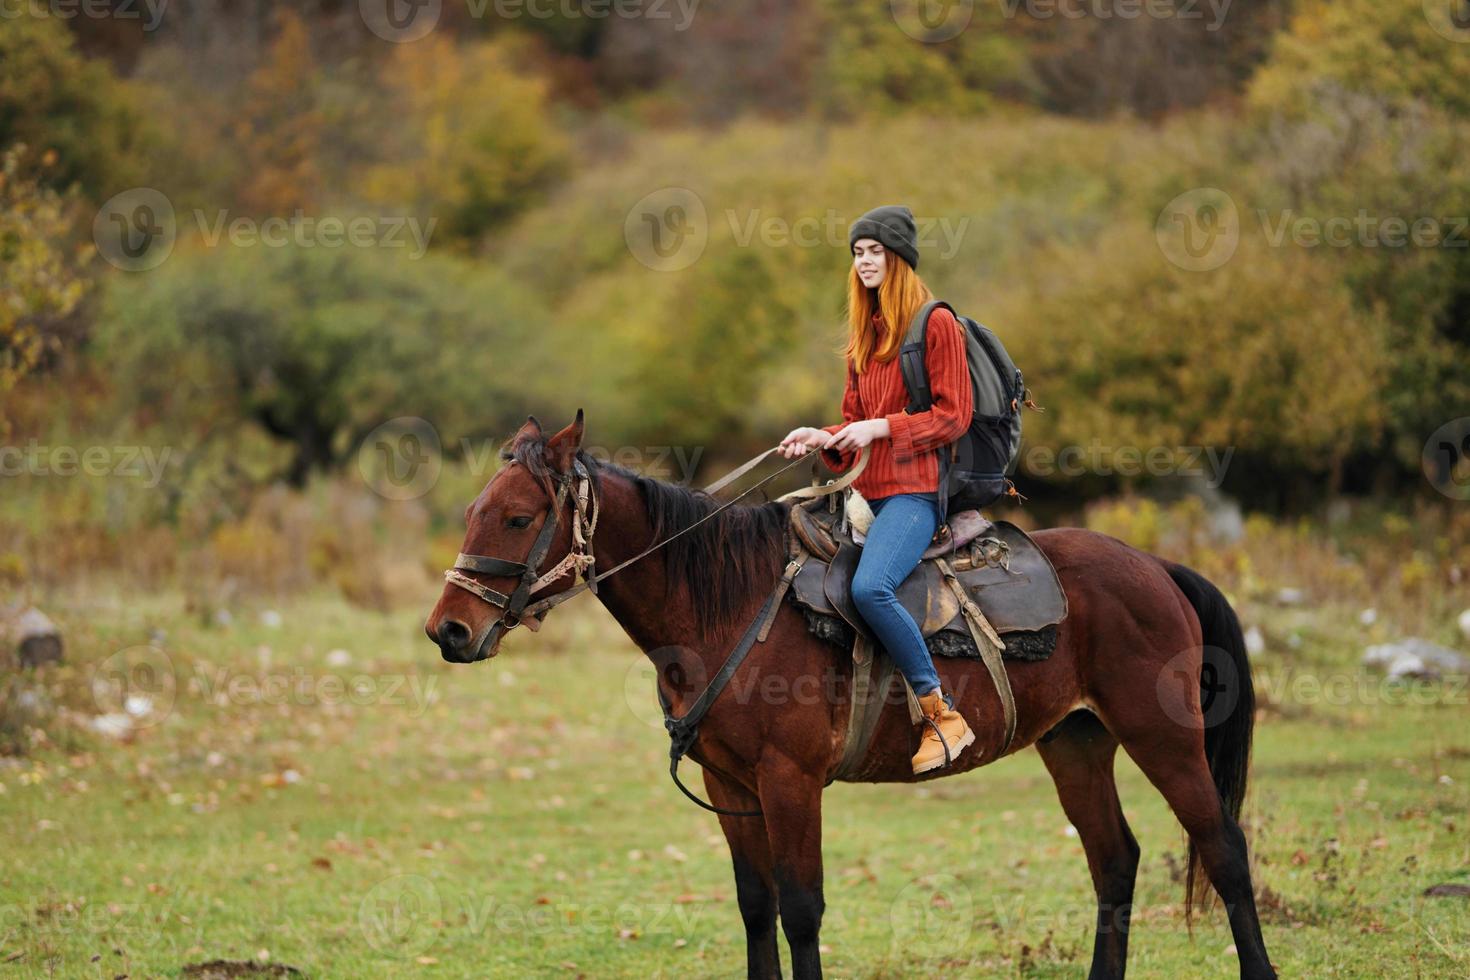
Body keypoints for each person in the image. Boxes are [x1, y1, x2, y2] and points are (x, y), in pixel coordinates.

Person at [779, 204, 976, 774]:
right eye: (858, 252)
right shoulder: (864, 335)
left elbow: (953, 415)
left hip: (915, 495)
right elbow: (852, 422)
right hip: (864, 490)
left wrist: (883, 426)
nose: (865, 261)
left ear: (900, 258)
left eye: (875, 251)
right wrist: (825, 436)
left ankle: (941, 712)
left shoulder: (935, 324)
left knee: (871, 589)